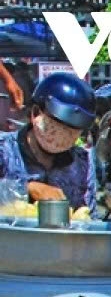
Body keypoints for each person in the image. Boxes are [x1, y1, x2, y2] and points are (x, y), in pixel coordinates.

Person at [0, 72, 94, 207]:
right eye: (58, 123)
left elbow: (90, 214)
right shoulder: (4, 150)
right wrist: (27, 188)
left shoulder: (82, 163)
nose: (63, 134)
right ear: (35, 113)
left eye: (73, 128)